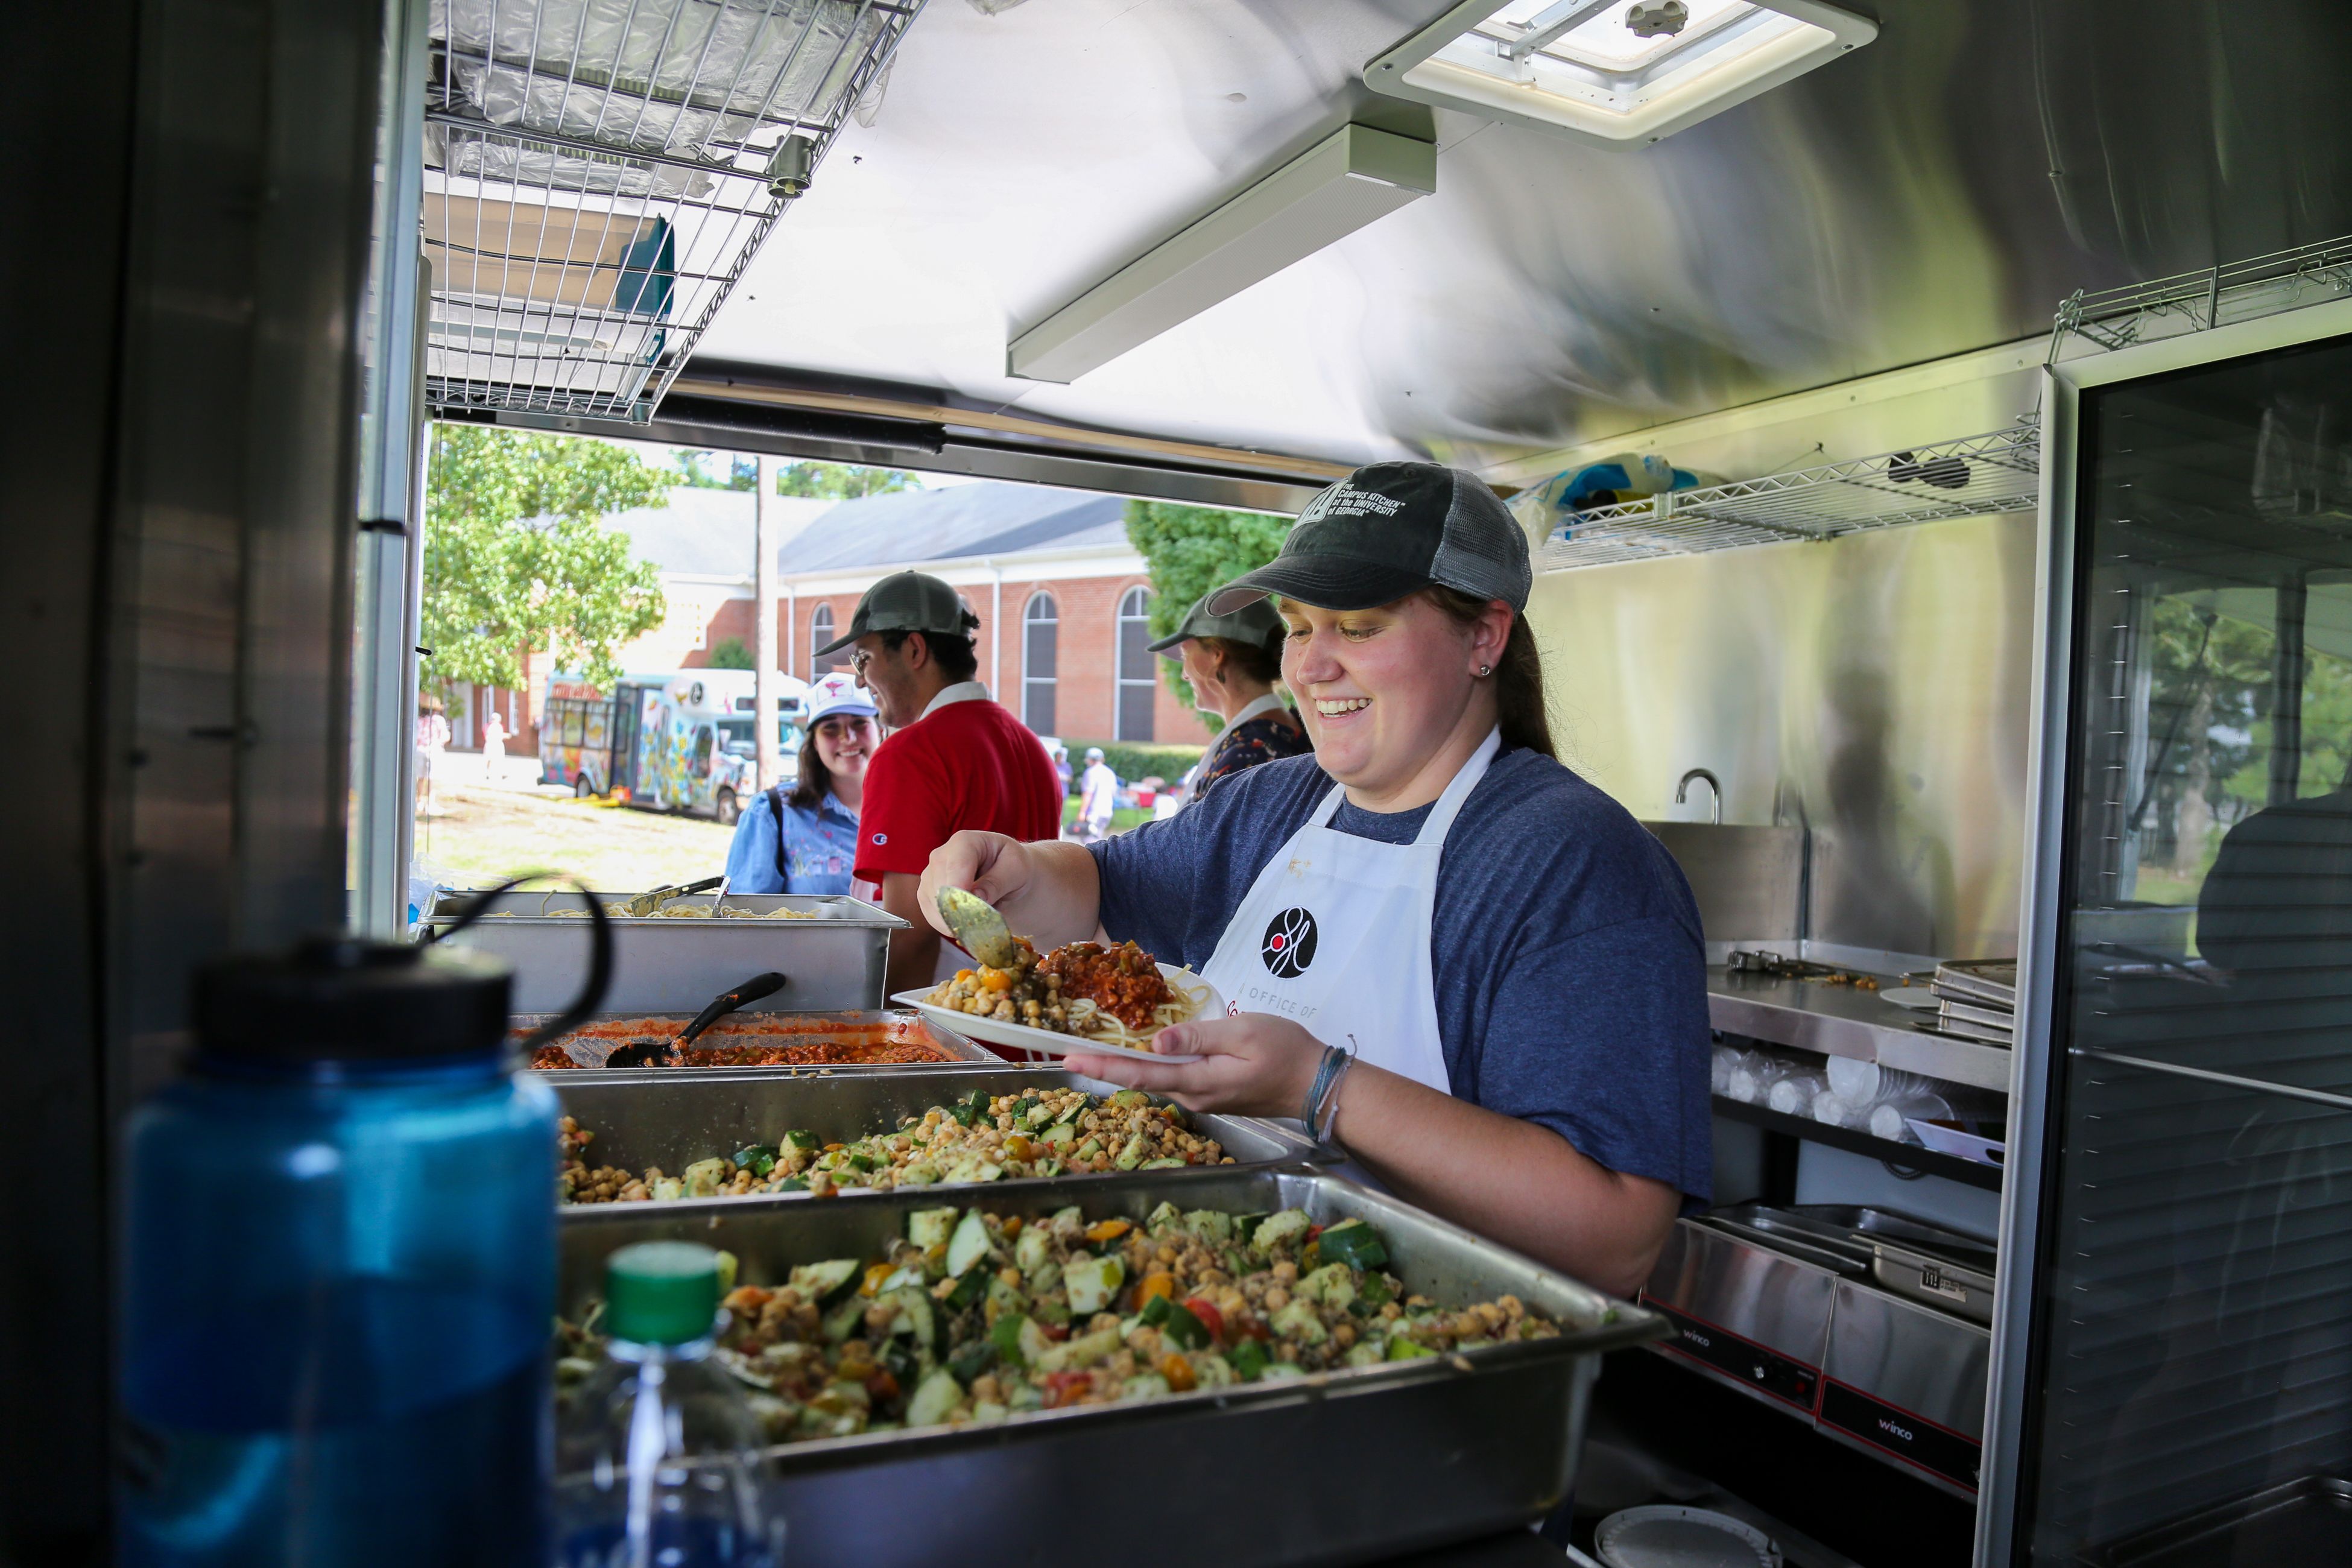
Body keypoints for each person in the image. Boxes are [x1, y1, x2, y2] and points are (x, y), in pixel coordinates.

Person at [917, 462, 1710, 1295]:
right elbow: (1095, 886)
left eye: (1358, 627)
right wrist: (1008, 869)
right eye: (1298, 627)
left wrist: (1318, 1086)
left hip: (1421, 1368)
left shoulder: (1574, 865)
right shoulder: (1272, 803)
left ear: (1485, 637)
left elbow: (1617, 1237)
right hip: (1197, 1304)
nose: (1311, 667)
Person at [820, 571, 1061, 995]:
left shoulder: (909, 753)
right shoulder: (1030, 745)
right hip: (1031, 1024)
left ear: (914, 649)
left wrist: (885, 1047)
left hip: (951, 1025)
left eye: (864, 658)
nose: (860, 680)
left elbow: (910, 935)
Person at [1149, 591, 1312, 801]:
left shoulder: (1249, 755)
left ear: (1216, 655)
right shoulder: (1283, 733)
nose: (1184, 674)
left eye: (1185, 655)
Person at [722, 672, 875, 895]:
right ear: (815, 742)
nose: (848, 738)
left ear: (879, 730)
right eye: (830, 728)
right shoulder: (771, 813)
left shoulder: (912, 807)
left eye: (859, 723)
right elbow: (745, 915)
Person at [413, 695, 450, 816]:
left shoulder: (418, 720)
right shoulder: (439, 720)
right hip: (433, 750)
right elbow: (444, 737)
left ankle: (419, 801)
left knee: (420, 777)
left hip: (419, 750)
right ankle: (430, 803)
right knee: (431, 778)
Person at [1075, 747, 1119, 842]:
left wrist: (1082, 812)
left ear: (1089, 759)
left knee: (1088, 841)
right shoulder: (1110, 773)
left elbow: (1088, 793)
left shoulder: (1090, 772)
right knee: (1097, 838)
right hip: (1107, 811)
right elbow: (1114, 793)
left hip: (1094, 812)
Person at [482, 707, 508, 780]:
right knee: (492, 759)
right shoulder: (495, 726)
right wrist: (506, 736)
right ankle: (490, 773)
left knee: (495, 759)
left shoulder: (489, 726)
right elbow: (498, 736)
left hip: (492, 744)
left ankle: (499, 773)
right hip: (495, 744)